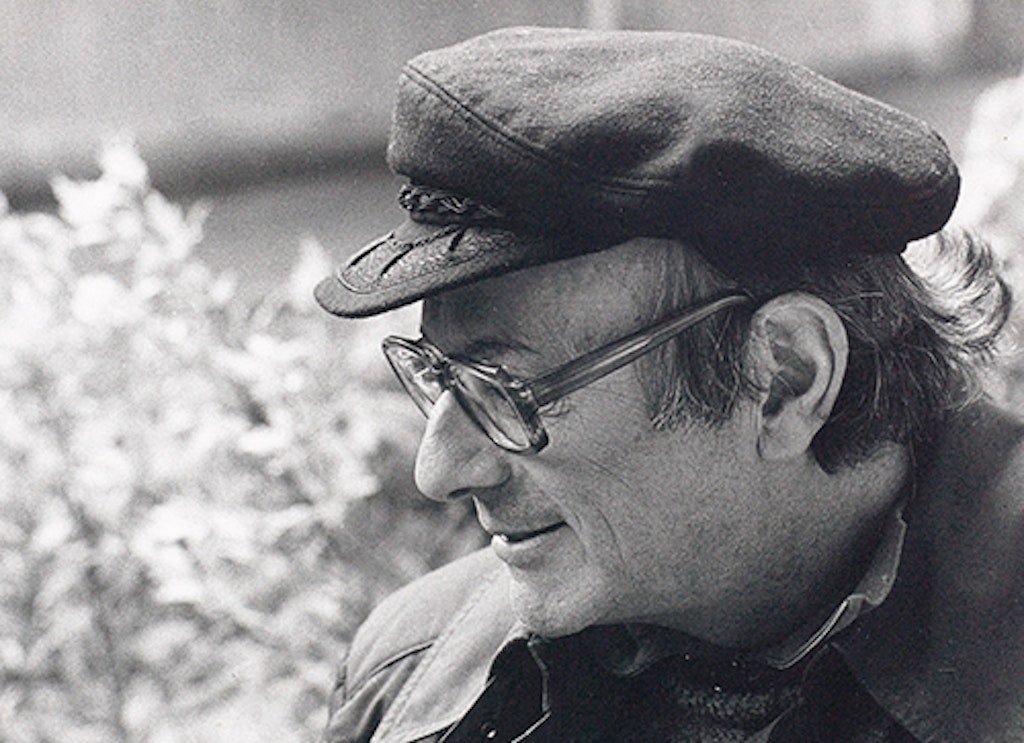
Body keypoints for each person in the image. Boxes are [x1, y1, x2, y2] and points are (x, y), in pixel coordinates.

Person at [313, 27, 1024, 742]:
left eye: (507, 388)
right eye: (439, 375)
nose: (437, 470)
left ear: (785, 377)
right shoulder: (403, 683)